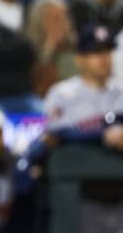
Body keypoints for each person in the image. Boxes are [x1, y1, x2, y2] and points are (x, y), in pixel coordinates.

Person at [42, 24, 123, 233]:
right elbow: (57, 133)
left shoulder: (121, 92)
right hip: (82, 198)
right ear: (79, 59)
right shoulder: (62, 93)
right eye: (96, 52)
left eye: (107, 51)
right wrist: (102, 136)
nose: (104, 58)